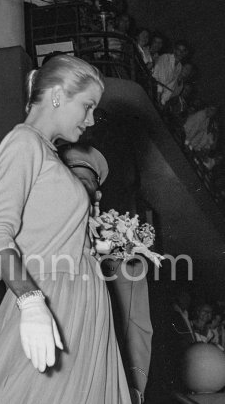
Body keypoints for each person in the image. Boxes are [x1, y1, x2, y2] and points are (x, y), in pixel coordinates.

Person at [0, 55, 131, 403]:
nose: (91, 119)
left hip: (79, 301)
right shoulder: (24, 143)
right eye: (88, 106)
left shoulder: (50, 155)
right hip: (51, 300)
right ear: (58, 95)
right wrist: (31, 301)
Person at [60, 144, 152, 404]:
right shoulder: (36, 243)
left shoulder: (122, 255)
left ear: (96, 195)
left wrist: (134, 387)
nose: (75, 188)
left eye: (83, 182)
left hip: (102, 383)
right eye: (67, 179)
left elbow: (136, 324)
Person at [152, 40, 189, 106]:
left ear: (185, 53)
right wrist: (158, 99)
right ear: (174, 50)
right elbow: (160, 81)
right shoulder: (165, 58)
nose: (180, 53)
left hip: (160, 97)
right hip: (152, 88)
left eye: (183, 51)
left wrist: (162, 102)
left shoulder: (179, 66)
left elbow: (170, 86)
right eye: (179, 50)